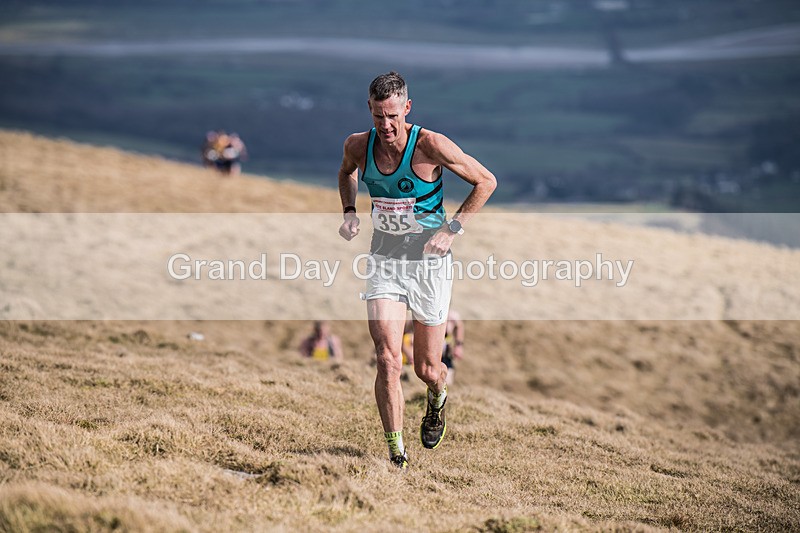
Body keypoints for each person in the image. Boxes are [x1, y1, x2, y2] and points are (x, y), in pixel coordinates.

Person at [337, 71, 496, 469]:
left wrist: (451, 229)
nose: (386, 126)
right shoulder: (358, 144)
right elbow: (346, 173)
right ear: (370, 111)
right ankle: (396, 454)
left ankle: (437, 397)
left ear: (407, 109)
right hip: (385, 262)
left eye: (393, 115)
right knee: (388, 358)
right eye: (378, 116)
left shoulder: (430, 144)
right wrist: (350, 212)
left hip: (429, 266)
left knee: (426, 367)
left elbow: (486, 181)